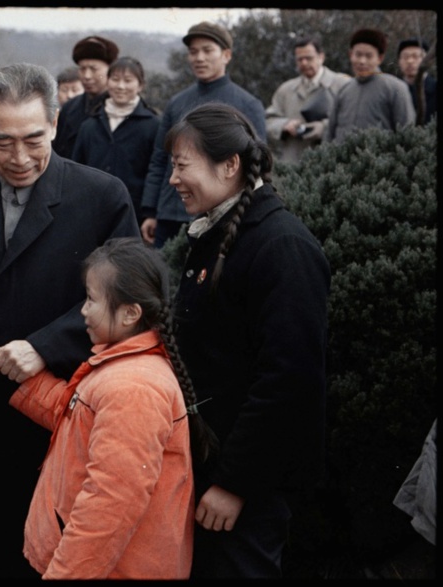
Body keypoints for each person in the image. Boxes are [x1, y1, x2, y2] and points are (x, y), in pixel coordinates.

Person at [0, 62, 140, 578]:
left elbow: (129, 302)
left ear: (56, 125)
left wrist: (47, 346)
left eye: (33, 139)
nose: (18, 158)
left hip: (61, 414)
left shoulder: (102, 197)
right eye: (2, 141)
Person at [165, 103, 330, 578]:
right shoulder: (219, 234)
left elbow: (288, 383)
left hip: (245, 488)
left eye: (181, 165)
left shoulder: (283, 247)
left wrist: (236, 484)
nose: (173, 178)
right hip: (208, 471)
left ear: (229, 165)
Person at [9, 236, 214, 578]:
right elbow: (80, 418)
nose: (83, 311)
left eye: (91, 299)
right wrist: (28, 384)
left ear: (130, 313)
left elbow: (110, 503)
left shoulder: (134, 388)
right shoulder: (124, 367)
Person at [139, 21, 266, 249]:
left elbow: (256, 163)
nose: (199, 58)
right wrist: (151, 211)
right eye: (193, 52)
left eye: (208, 50)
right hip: (171, 214)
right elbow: (159, 159)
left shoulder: (248, 104)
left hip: (223, 214)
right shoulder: (176, 103)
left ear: (226, 55)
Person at [72, 56, 159, 224]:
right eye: (115, 79)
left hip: (134, 213)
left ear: (140, 85)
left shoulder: (153, 125)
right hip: (91, 210)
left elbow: (155, 172)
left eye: (128, 81)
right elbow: (76, 169)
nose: (121, 86)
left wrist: (150, 212)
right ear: (107, 81)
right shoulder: (89, 125)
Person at [265, 36, 351, 164]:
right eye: (300, 59)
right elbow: (268, 121)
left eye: (309, 58)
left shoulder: (343, 84)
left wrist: (324, 127)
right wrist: (284, 125)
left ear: (321, 57)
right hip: (294, 165)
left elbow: (352, 120)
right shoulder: (286, 89)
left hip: (332, 165)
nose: (304, 63)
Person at [326, 28, 416, 143]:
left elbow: (407, 132)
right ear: (350, 55)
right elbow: (329, 132)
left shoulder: (396, 88)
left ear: (380, 58)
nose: (362, 61)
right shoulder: (344, 89)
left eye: (369, 56)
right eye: (358, 55)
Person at [52, 35, 119, 158]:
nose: (87, 76)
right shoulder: (69, 108)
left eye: (94, 69)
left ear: (110, 70)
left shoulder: (121, 109)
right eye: (82, 69)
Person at [396, 38, 436, 126]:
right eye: (405, 57)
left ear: (427, 60)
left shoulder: (435, 89)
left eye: (416, 57)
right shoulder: (394, 90)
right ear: (399, 61)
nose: (410, 61)